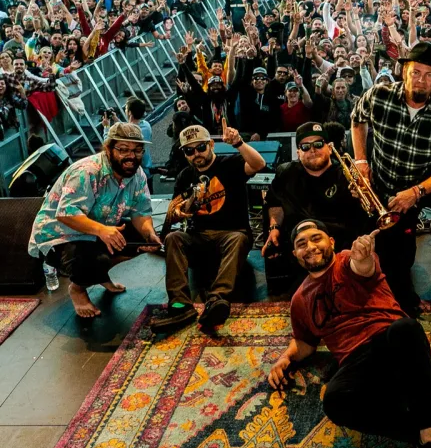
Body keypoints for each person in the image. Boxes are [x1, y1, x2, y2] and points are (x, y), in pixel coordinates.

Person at [269, 219, 431, 448]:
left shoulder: (348, 260)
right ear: (295, 254)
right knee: (334, 402)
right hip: (357, 364)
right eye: (302, 244)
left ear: (331, 242)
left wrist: (363, 255)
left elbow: (364, 266)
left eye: (316, 238)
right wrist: (284, 358)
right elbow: (305, 343)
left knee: (405, 328)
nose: (310, 247)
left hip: (394, 345)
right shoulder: (300, 300)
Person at [351, 42, 431, 315]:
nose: (421, 80)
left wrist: (415, 193)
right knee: (397, 261)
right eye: (416, 72)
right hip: (385, 180)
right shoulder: (379, 95)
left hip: (427, 178)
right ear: (404, 71)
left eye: (429, 75)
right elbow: (357, 119)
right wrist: (362, 160)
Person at [27, 123, 163, 318]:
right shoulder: (87, 171)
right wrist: (101, 230)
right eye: (123, 150)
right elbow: (65, 213)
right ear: (108, 148)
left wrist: (149, 234)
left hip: (98, 230)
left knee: (140, 243)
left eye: (137, 150)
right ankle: (78, 288)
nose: (131, 156)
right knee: (95, 260)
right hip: (61, 235)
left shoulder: (137, 174)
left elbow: (140, 213)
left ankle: (99, 275)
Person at [157, 123, 267, 333]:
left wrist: (238, 143)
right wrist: (179, 211)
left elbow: (259, 164)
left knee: (237, 238)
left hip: (231, 234)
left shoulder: (231, 164)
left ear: (211, 145)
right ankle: (180, 304)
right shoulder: (184, 176)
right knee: (173, 238)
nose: (196, 154)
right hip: (199, 237)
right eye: (189, 150)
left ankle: (217, 298)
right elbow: (174, 209)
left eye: (200, 148)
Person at [263, 121, 374, 290]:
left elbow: (362, 220)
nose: (312, 150)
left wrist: (362, 199)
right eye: (305, 147)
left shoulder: (347, 175)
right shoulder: (286, 173)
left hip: (337, 246)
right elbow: (274, 202)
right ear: (298, 152)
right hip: (302, 249)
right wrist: (274, 227)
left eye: (318, 144)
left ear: (330, 147)